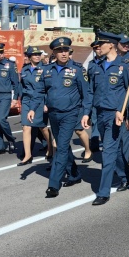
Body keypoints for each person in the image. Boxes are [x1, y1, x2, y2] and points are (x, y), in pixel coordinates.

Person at [87, 32, 129, 206]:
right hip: (100, 113)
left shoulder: (124, 66)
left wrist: (121, 110)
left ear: (112, 45)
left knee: (107, 151)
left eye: (103, 43)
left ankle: (103, 192)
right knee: (112, 150)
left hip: (115, 115)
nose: (99, 46)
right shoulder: (97, 66)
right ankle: (127, 175)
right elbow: (91, 91)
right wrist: (86, 113)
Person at [42, 37, 92, 197]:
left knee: (61, 147)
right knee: (64, 147)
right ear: (54, 53)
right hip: (53, 114)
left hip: (70, 113)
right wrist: (40, 105)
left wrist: (85, 113)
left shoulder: (78, 70)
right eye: (59, 51)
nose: (63, 54)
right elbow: (42, 91)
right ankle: (74, 173)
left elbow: (87, 94)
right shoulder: (47, 70)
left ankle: (53, 185)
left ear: (70, 52)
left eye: (66, 51)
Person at [20, 46, 50, 165]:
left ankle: (50, 147)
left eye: (39, 54)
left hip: (40, 100)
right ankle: (28, 155)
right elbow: (22, 86)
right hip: (27, 100)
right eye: (34, 54)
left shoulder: (46, 69)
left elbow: (48, 88)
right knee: (26, 127)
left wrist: (46, 103)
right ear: (29, 57)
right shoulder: (25, 70)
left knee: (42, 127)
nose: (37, 56)